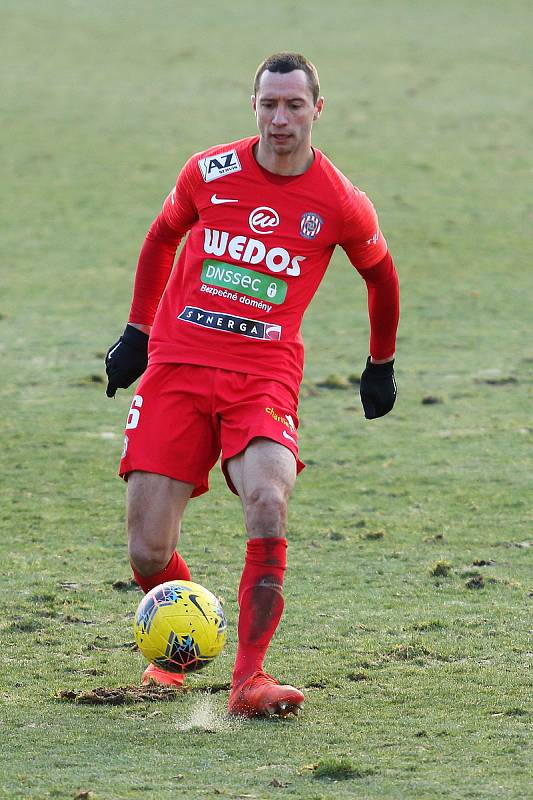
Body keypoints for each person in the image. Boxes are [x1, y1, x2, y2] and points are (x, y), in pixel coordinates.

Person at [105, 52, 399, 718]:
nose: (280, 119)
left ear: (316, 111)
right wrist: (137, 332)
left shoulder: (338, 201)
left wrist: (378, 363)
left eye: (294, 105)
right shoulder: (208, 172)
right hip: (179, 365)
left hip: (262, 374)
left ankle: (249, 680)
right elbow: (160, 238)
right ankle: (178, 648)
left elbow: (381, 276)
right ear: (254, 107)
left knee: (268, 499)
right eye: (268, 104)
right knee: (148, 550)